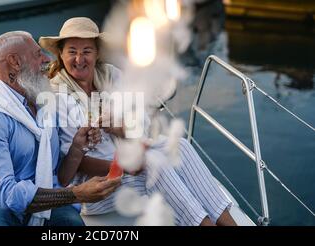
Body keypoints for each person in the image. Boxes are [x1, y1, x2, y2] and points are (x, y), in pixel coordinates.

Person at [39, 17, 237, 226]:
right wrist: (126, 166)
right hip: (97, 184)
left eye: (87, 51)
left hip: (128, 156)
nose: (79, 59)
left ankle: (230, 224)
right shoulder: (57, 95)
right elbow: (74, 162)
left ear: (97, 54)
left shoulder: (111, 75)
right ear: (60, 54)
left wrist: (120, 128)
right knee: (155, 165)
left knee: (179, 145)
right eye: (72, 51)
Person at [0, 31, 121, 226]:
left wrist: (77, 146)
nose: (47, 59)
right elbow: (5, 193)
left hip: (44, 205)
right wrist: (76, 194)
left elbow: (56, 170)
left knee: (72, 222)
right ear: (15, 62)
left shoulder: (42, 105)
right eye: (37, 54)